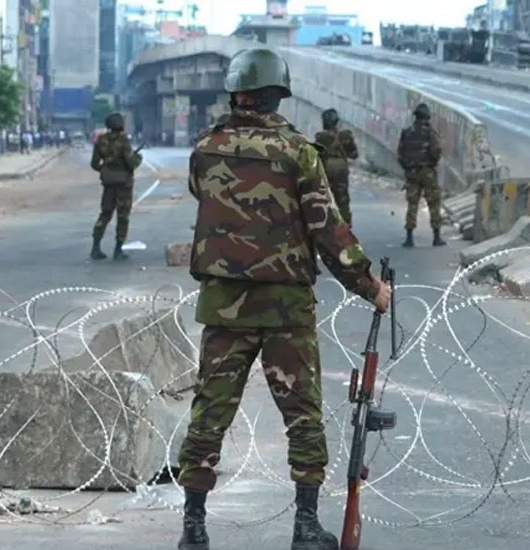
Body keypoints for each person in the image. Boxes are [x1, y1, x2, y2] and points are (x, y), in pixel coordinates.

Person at [176, 48, 391, 550]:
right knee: (302, 415)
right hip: (284, 309)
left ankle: (193, 526)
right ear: (278, 94)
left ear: (236, 92)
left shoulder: (206, 148)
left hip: (224, 306)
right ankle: (305, 525)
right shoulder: (299, 153)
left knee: (210, 413)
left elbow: (202, 195)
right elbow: (329, 231)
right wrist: (370, 287)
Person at [89, 112, 142, 260]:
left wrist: (105, 170)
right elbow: (131, 163)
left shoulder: (101, 140)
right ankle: (118, 250)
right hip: (124, 184)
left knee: (105, 214)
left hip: (108, 184)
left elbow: (94, 164)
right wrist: (139, 158)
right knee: (122, 216)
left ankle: (95, 247)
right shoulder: (123, 140)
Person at [397, 103, 445, 247]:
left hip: (412, 173)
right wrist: (431, 164)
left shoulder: (406, 133)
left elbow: (400, 154)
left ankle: (409, 237)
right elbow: (436, 151)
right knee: (433, 203)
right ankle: (436, 237)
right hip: (427, 172)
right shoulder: (430, 133)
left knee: (412, 204)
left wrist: (407, 168)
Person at [314, 108, 358, 225]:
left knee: (325, 200)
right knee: (343, 200)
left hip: (326, 167)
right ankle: (346, 228)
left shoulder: (320, 137)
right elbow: (354, 155)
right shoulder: (345, 135)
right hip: (340, 167)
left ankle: (326, 228)